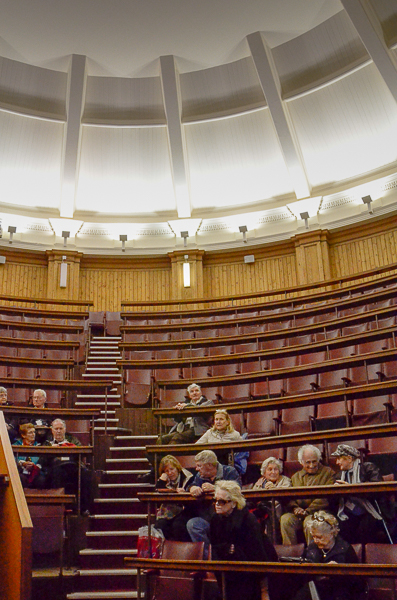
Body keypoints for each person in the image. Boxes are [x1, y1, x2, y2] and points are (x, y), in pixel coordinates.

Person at [209, 480, 279, 600]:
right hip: (227, 568)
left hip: (251, 571)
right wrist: (227, 549)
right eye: (215, 500)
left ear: (234, 503)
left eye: (222, 501)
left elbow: (258, 554)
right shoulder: (215, 519)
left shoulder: (248, 520)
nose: (217, 504)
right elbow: (215, 546)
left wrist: (264, 591)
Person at [139, 383, 214, 481]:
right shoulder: (184, 404)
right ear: (189, 394)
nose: (194, 393)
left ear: (201, 392)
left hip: (197, 430)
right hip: (183, 429)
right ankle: (157, 469)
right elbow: (177, 420)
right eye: (192, 391)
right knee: (161, 439)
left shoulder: (207, 402)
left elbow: (201, 412)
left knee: (177, 438)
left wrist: (186, 407)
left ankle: (158, 470)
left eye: (196, 391)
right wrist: (178, 411)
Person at [290, 511, 366, 600]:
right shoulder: (311, 548)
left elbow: (358, 584)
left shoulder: (345, 549)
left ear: (331, 533)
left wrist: (339, 572)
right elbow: (302, 578)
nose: (315, 540)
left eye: (319, 537)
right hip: (314, 592)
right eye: (313, 536)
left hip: (338, 594)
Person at [332, 443, 394, 543]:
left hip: (371, 509)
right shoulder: (338, 475)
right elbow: (332, 501)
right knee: (341, 525)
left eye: (339, 459)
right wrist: (335, 493)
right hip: (348, 511)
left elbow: (378, 490)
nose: (337, 462)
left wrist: (351, 489)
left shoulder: (368, 468)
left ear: (349, 458)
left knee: (365, 527)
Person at [184, 450, 241, 556]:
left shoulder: (229, 472)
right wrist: (193, 488)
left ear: (209, 465)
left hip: (227, 518)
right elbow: (190, 485)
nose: (197, 469)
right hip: (209, 518)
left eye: (199, 466)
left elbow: (237, 491)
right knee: (193, 524)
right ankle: (208, 558)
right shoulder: (200, 476)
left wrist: (216, 488)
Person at [280, 445, 335, 545]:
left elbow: (325, 497)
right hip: (299, 513)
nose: (311, 465)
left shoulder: (328, 473)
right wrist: (295, 508)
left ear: (319, 460)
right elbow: (290, 497)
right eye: (308, 462)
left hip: (319, 512)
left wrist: (308, 511)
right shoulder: (295, 477)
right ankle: (291, 554)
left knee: (309, 522)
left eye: (314, 461)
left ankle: (312, 555)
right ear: (301, 462)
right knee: (285, 519)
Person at [44, 418, 95, 514]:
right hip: (55, 467)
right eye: (56, 429)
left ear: (65, 429)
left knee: (85, 474)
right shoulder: (47, 443)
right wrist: (51, 450)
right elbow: (43, 459)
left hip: (72, 466)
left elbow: (81, 452)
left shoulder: (72, 439)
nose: (58, 431)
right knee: (57, 473)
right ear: (52, 430)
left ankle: (83, 508)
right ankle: (59, 508)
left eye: (61, 428)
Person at [154, 455, 194, 541]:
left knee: (178, 525)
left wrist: (185, 492)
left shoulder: (187, 477)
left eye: (172, 469)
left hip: (185, 509)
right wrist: (161, 481)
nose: (170, 473)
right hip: (170, 510)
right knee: (159, 525)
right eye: (166, 471)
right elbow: (157, 493)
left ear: (177, 468)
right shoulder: (164, 479)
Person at [252, 457, 291, 542]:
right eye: (270, 469)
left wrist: (274, 489)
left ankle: (272, 539)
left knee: (269, 507)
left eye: (275, 469)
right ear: (264, 472)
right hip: (261, 511)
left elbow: (286, 496)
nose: (273, 472)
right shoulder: (260, 482)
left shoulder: (285, 480)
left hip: (279, 509)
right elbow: (254, 497)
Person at [14, 423, 47, 488]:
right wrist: (22, 463)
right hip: (21, 471)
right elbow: (12, 460)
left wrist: (34, 466)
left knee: (41, 480)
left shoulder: (39, 446)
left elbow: (41, 461)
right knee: (20, 478)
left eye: (34, 432)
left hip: (35, 472)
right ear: (23, 435)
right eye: (30, 433)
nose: (33, 434)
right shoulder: (15, 445)